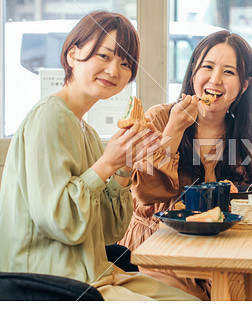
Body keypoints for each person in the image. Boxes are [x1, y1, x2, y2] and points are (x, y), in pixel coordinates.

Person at [0, 11, 198, 301]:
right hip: (47, 280)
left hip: (95, 272)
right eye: (104, 56)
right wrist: (107, 163)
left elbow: (107, 232)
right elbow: (60, 223)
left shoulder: (88, 132)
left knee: (191, 302)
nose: (114, 71)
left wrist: (122, 169)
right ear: (72, 55)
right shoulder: (50, 116)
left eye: (125, 63)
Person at [118, 30, 252, 300]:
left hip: (219, 256)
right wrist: (173, 130)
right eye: (207, 67)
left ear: (244, 85)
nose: (215, 79)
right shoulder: (160, 118)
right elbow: (146, 194)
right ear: (193, 73)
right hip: (156, 254)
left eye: (229, 72)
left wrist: (237, 197)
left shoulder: (244, 136)